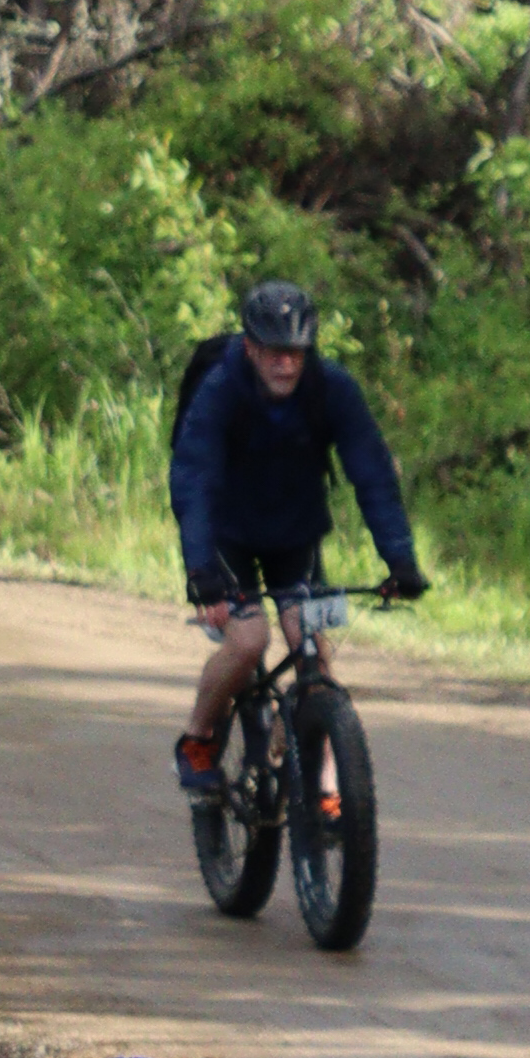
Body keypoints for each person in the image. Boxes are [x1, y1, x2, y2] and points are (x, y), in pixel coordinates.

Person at [167, 281, 425, 800]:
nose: (286, 364)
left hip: (296, 531)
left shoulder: (332, 389)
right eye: (275, 352)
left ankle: (326, 783)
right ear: (251, 346)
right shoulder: (222, 389)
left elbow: (371, 473)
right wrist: (202, 573)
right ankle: (197, 739)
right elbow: (193, 479)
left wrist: (399, 558)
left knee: (314, 653)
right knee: (249, 641)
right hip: (228, 533)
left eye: (297, 353)